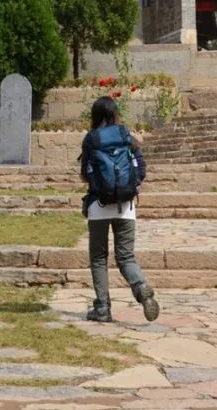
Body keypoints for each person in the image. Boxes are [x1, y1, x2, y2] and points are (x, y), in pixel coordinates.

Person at [80, 95, 159, 323]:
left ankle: (103, 308)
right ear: (115, 114)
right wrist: (128, 187)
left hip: (99, 205)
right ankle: (141, 286)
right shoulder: (126, 136)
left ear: (95, 116)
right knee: (125, 257)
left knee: (98, 258)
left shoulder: (91, 139)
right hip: (126, 206)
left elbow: (85, 173)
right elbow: (141, 168)